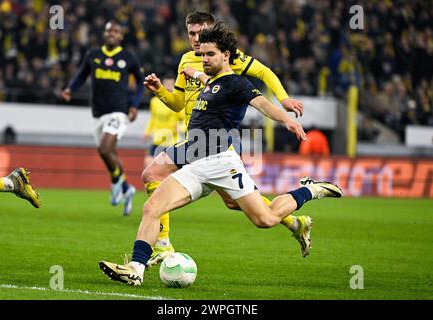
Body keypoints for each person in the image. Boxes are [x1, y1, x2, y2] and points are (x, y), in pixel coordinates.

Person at [99, 23, 342, 286]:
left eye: (210, 54)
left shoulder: (237, 84)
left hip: (221, 163)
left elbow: (262, 103)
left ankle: (310, 190)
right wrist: (188, 76)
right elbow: (210, 83)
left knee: (266, 218)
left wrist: (287, 119)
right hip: (195, 161)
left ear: (226, 55)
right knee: (152, 207)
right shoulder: (211, 81)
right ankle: (136, 269)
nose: (204, 59)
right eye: (202, 54)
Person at [141, 12, 308, 264]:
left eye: (201, 33)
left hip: (220, 139)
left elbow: (265, 73)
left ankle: (163, 247)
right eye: (191, 34)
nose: (196, 39)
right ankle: (295, 222)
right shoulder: (187, 60)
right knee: (232, 201)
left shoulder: (229, 57)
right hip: (194, 139)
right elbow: (177, 104)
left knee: (156, 175)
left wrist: (283, 99)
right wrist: (161, 92)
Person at [62, 20, 144, 216]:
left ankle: (116, 182)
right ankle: (126, 189)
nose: (112, 34)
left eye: (116, 31)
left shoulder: (128, 57)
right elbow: (82, 75)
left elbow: (141, 83)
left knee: (105, 148)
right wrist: (70, 89)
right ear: (104, 34)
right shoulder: (93, 54)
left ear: (121, 36)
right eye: (109, 31)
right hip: (98, 113)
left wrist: (133, 105)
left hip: (119, 111)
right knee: (109, 153)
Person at [143, 77, 185, 168]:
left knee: (166, 170)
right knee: (148, 166)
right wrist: (147, 131)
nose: (169, 87)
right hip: (157, 139)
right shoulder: (154, 101)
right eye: (167, 84)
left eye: (171, 85)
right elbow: (153, 118)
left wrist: (180, 128)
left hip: (171, 141)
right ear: (162, 85)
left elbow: (186, 120)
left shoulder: (177, 103)